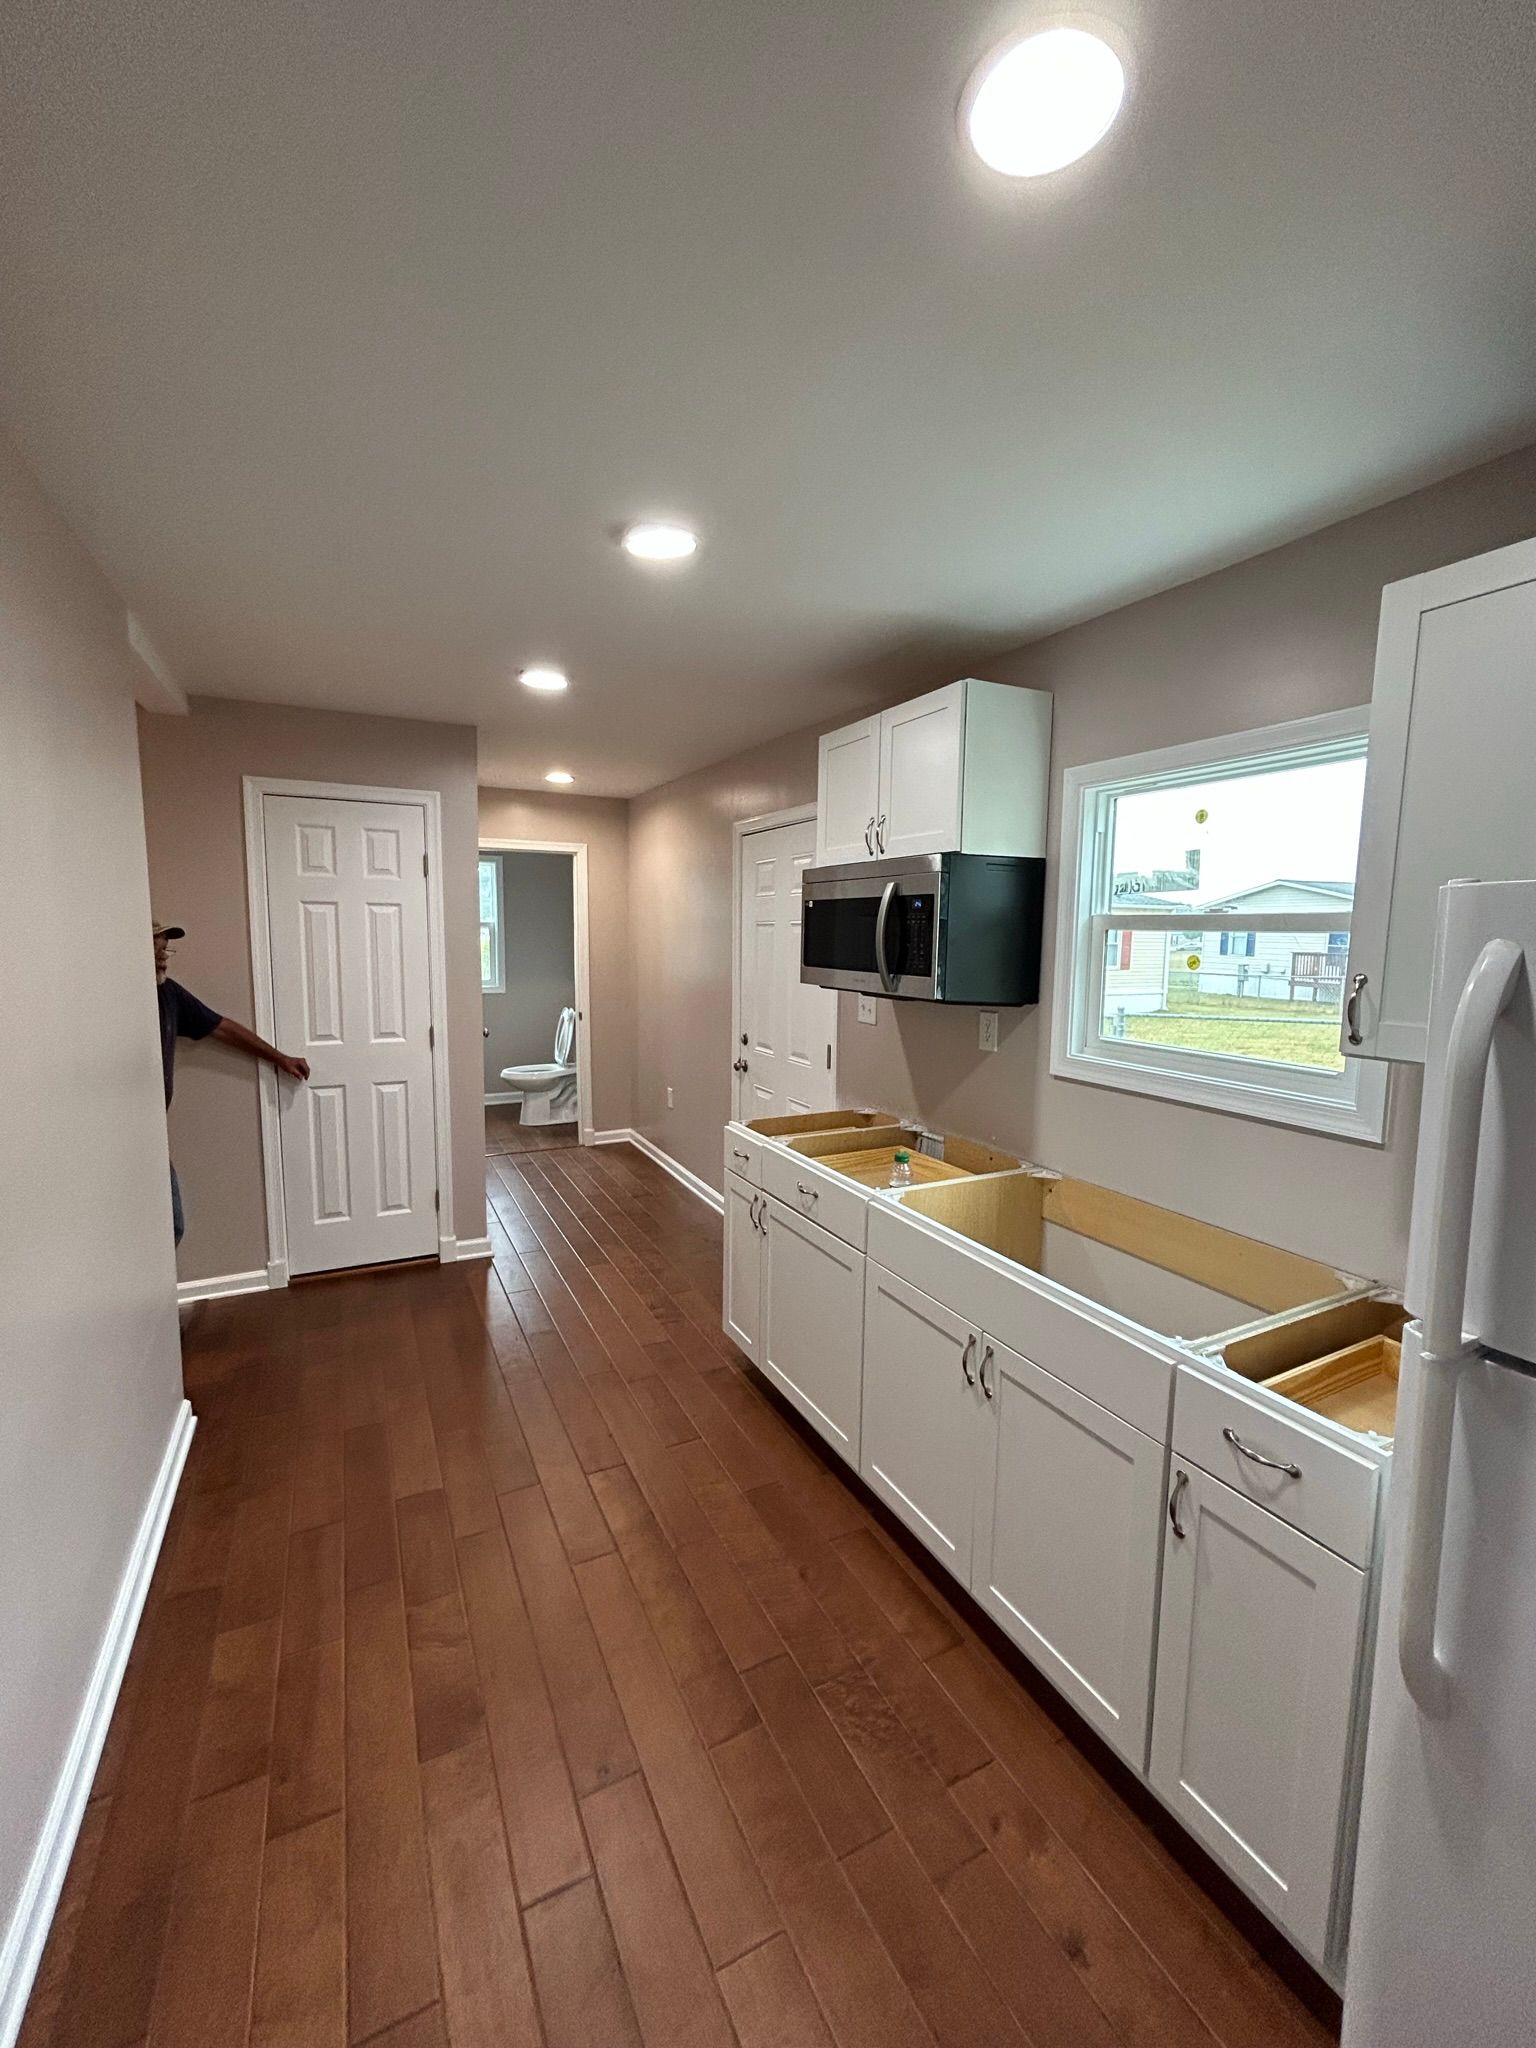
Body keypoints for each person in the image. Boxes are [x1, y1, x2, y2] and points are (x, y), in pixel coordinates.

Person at [155, 920, 310, 1245]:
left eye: (165, 947)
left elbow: (221, 1027)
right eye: (155, 947)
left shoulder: (168, 994)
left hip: (153, 1137)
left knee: (172, 1226)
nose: (164, 956)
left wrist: (279, 1057)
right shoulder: (112, 1005)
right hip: (115, 1141)